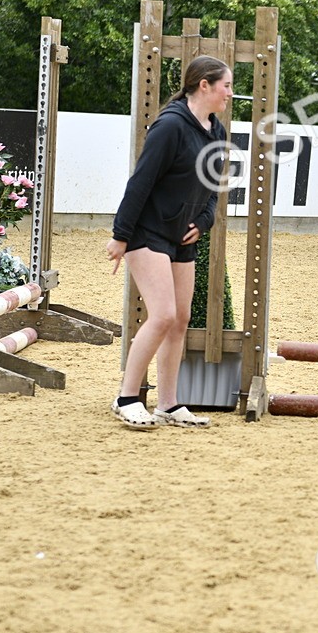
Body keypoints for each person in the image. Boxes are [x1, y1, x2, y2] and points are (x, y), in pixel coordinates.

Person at [105, 55, 232, 430]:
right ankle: (126, 397)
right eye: (226, 85)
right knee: (161, 315)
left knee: (180, 320)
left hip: (182, 237)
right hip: (147, 233)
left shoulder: (217, 132)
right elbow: (140, 182)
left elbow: (213, 187)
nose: (230, 92)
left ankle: (169, 404)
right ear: (204, 85)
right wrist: (120, 235)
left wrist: (205, 221)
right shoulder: (170, 126)